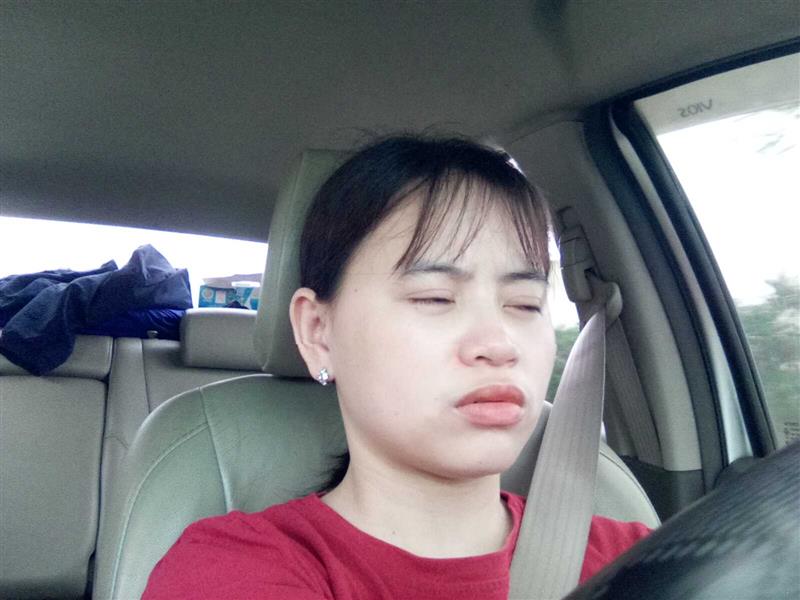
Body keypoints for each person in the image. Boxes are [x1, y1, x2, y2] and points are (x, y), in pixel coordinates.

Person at [143, 135, 650, 599]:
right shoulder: (231, 571)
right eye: (435, 297)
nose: (499, 344)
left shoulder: (641, 560)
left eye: (525, 304)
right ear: (318, 332)